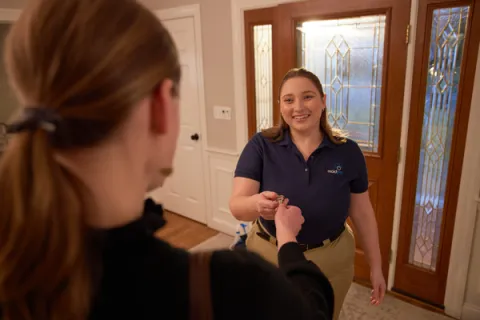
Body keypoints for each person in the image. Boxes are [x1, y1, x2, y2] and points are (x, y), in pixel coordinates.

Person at [0, 1, 336, 319]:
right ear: (161, 105)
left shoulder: (17, 267)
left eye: (307, 97)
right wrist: (289, 243)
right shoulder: (235, 288)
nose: (298, 107)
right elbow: (313, 308)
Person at [230, 68, 387, 319]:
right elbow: (237, 206)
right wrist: (257, 204)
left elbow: (362, 212)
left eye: (308, 97)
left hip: (331, 258)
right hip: (269, 255)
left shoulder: (348, 152)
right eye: (289, 100)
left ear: (323, 101)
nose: (298, 107)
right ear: (280, 106)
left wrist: (376, 267)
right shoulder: (261, 145)